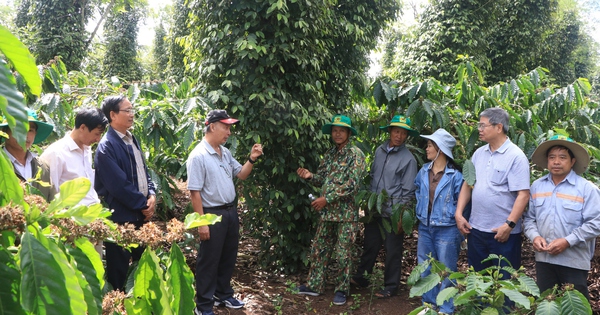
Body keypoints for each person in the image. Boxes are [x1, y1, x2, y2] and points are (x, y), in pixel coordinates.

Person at [186, 109, 263, 315]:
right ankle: (203, 305)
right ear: (212, 126)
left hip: (230, 212)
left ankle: (223, 294)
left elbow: (242, 175)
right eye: (225, 127)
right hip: (211, 214)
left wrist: (252, 159)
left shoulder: (225, 152)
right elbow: (194, 193)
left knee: (228, 256)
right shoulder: (198, 156)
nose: (229, 132)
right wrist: (202, 222)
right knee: (209, 260)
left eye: (230, 127)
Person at [296, 114, 366, 306]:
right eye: (335, 130)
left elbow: (353, 185)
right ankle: (315, 285)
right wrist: (310, 176)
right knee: (320, 250)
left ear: (348, 133)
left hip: (346, 215)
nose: (337, 134)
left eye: (341, 130)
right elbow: (322, 179)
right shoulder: (329, 154)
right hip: (327, 213)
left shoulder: (356, 155)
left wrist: (327, 199)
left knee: (344, 254)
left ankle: (342, 290)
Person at [523, 135, 600, 300]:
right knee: (547, 304)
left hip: (573, 260)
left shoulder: (587, 189)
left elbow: (596, 223)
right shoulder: (537, 186)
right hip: (544, 260)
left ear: (572, 161)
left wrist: (568, 241)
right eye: (552, 157)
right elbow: (529, 219)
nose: (556, 162)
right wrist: (534, 237)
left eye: (562, 157)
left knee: (575, 305)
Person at [455, 107, 530, 274]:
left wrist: (509, 225)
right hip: (476, 231)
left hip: (502, 234)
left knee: (503, 286)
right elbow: (468, 185)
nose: (479, 130)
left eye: (483, 125)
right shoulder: (478, 154)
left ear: (499, 127)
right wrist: (459, 214)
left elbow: (523, 195)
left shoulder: (516, 156)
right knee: (478, 281)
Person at [351, 114, 418, 298]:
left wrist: (401, 217)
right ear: (390, 132)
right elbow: (373, 176)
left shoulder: (408, 159)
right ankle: (362, 277)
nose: (399, 136)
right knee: (370, 244)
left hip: (393, 212)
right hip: (375, 209)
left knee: (392, 249)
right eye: (396, 131)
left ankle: (391, 286)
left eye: (404, 133)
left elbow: (409, 192)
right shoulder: (380, 151)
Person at [95, 96, 156, 291]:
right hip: (121, 219)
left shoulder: (132, 139)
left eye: (132, 110)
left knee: (143, 268)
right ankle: (117, 307)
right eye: (127, 110)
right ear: (112, 115)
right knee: (119, 271)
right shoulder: (106, 146)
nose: (132, 114)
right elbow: (118, 186)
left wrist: (152, 194)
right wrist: (143, 204)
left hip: (141, 215)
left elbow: (143, 172)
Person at [414, 129, 464, 313]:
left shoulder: (455, 176)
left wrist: (453, 218)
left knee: (447, 269)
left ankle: (446, 308)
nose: (426, 149)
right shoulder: (423, 171)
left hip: (448, 228)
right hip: (425, 227)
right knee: (425, 267)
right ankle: (428, 306)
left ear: (440, 150)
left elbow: (463, 203)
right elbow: (418, 191)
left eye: (430, 145)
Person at [41, 107, 108, 206]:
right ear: (82, 128)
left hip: (93, 214)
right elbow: (50, 192)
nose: (98, 139)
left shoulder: (87, 150)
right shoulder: (56, 153)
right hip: (73, 217)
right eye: (96, 134)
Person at [1, 109, 55, 201]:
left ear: (35, 134)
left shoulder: (43, 167)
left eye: (30, 130)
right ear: (5, 131)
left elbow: (50, 201)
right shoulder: (2, 163)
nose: (25, 135)